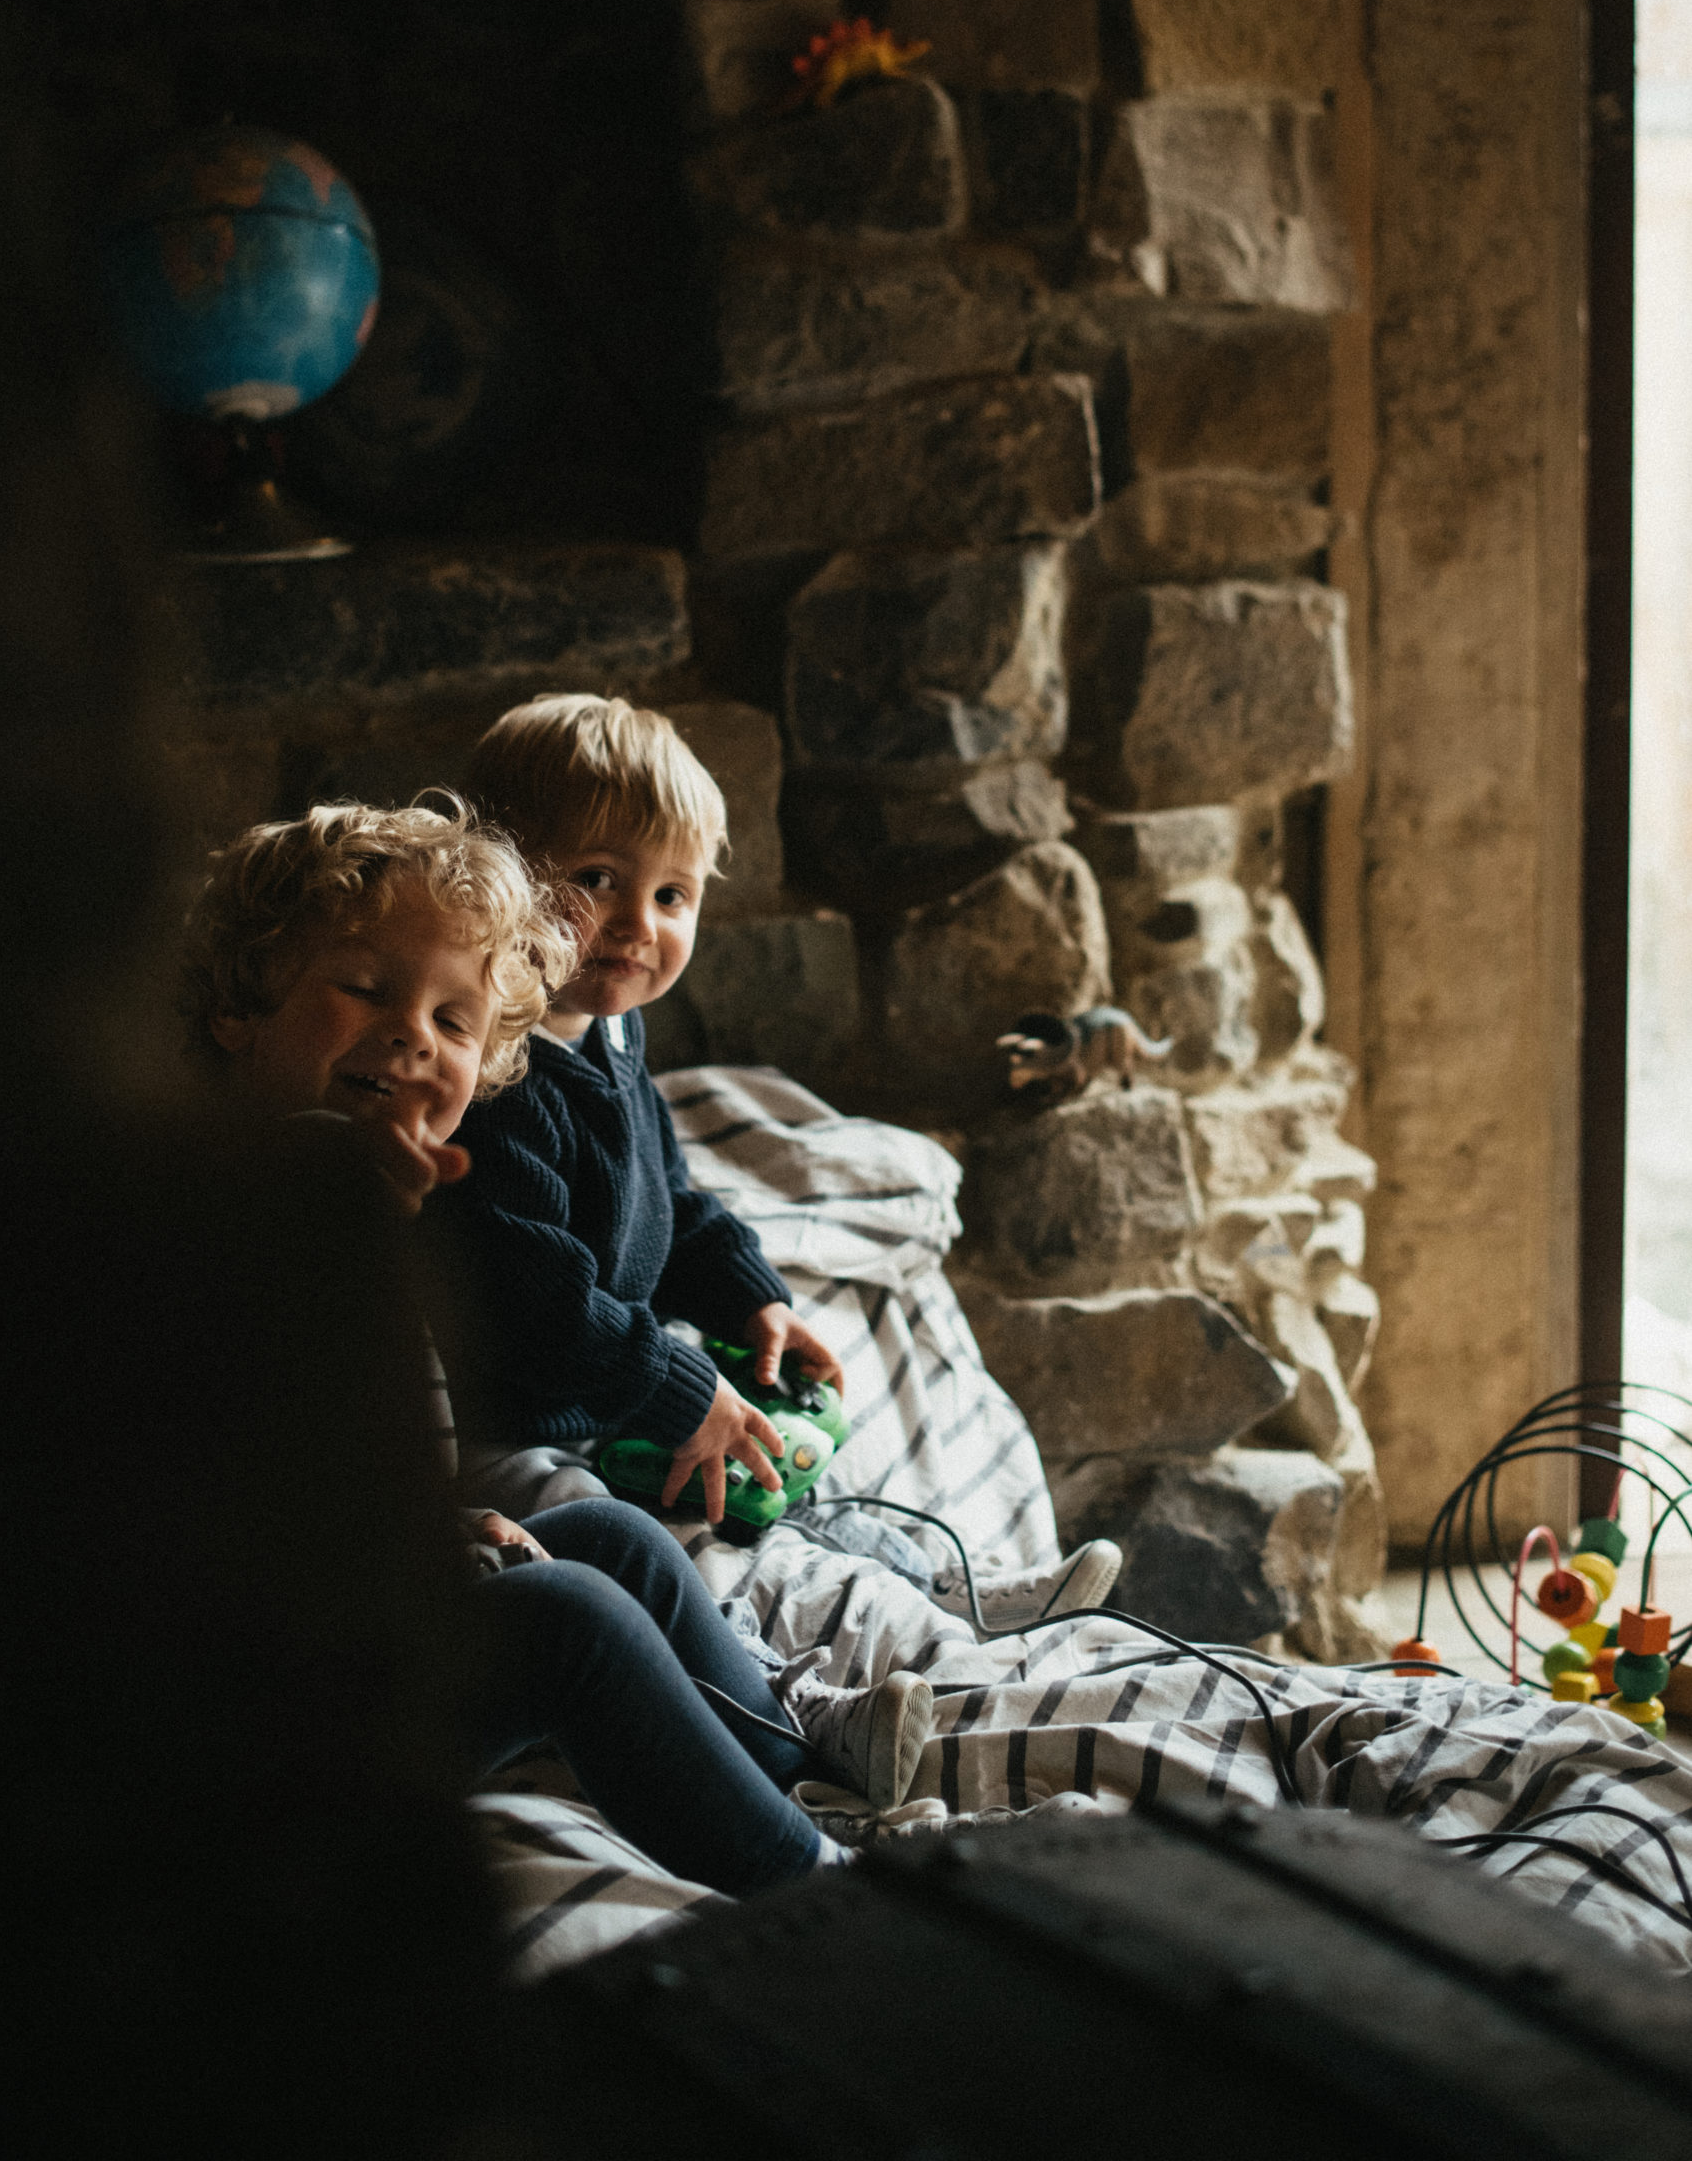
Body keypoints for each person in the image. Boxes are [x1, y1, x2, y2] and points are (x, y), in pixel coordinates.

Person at [181, 796, 935, 1895]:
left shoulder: (355, 1218)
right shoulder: (226, 1220)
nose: (411, 1035)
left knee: (611, 1539)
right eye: (367, 990)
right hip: (252, 1733)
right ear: (239, 1009)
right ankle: (821, 1891)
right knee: (568, 1620)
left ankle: (790, 1784)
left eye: (454, 1023)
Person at [459, 693, 1121, 1629]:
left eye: (671, 896)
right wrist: (679, 1388)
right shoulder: (492, 1080)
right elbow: (541, 1307)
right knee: (666, 1546)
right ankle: (818, 1668)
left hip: (616, 1391)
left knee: (785, 1465)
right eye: (597, 878)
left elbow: (668, 1202)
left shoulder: (613, 1036)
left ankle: (942, 1593)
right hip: (527, 1428)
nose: (639, 924)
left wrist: (749, 1298)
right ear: (493, 877)